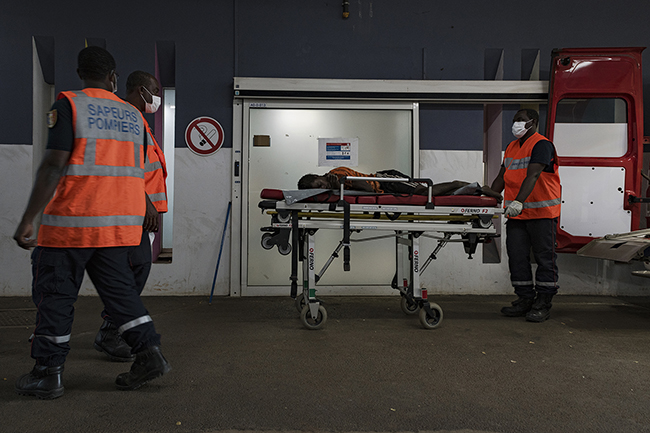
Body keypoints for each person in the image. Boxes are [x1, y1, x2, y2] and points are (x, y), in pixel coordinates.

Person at [12, 47, 170, 399]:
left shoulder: (70, 105)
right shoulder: (133, 117)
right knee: (122, 297)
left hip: (71, 224)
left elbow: (54, 165)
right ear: (114, 77)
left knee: (56, 296)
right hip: (117, 228)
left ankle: (48, 373)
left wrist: (27, 220)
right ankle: (149, 354)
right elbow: (139, 170)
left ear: (80, 73)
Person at [93, 70, 168, 362]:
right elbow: (126, 167)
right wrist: (146, 203)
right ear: (141, 90)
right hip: (131, 210)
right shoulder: (126, 117)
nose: (157, 98)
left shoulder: (138, 121)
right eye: (154, 90)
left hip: (139, 211)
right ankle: (111, 331)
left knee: (136, 269)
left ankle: (112, 329)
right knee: (134, 269)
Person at [489, 108, 561, 322]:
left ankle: (544, 302)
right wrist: (489, 199)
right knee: (517, 256)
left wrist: (519, 201)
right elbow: (502, 176)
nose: (516, 124)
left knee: (544, 258)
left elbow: (534, 174)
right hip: (517, 215)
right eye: (514, 120)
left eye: (521, 120)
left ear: (533, 122)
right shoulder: (511, 146)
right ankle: (525, 298)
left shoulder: (542, 145)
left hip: (541, 213)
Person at [298, 167, 503, 200]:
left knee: (424, 192)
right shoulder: (335, 182)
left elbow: (369, 189)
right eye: (318, 189)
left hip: (386, 180)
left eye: (319, 184)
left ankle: (466, 184)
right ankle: (468, 189)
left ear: (319, 175)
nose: (322, 188)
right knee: (425, 193)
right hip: (385, 184)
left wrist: (341, 183)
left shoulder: (337, 174)